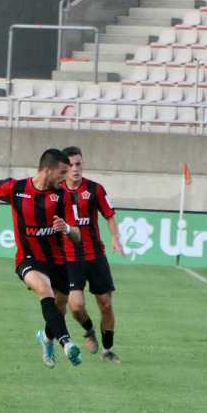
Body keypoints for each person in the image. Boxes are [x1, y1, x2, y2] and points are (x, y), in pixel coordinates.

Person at [0, 149, 83, 367]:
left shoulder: (63, 196)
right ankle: (67, 343)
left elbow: (77, 237)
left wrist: (68, 228)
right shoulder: (17, 188)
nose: (66, 178)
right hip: (28, 258)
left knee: (59, 308)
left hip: (58, 261)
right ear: (47, 170)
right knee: (44, 290)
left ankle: (47, 339)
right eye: (62, 172)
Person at [55, 146, 123, 363]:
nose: (75, 169)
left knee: (106, 303)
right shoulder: (56, 192)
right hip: (70, 257)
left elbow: (109, 215)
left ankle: (108, 350)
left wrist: (115, 238)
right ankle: (89, 330)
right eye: (71, 165)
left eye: (79, 164)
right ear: (64, 167)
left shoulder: (95, 189)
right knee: (75, 306)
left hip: (95, 255)